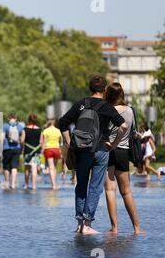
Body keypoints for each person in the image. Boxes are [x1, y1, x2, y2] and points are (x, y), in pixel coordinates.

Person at [59, 75, 128, 235]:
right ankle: (88, 223)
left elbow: (62, 123)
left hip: (82, 150)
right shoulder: (106, 106)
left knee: (81, 184)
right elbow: (123, 126)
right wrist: (115, 144)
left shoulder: (81, 104)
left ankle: (79, 224)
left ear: (90, 89)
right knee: (95, 186)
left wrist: (70, 142)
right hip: (101, 150)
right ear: (104, 90)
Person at [104, 83, 144, 235]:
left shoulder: (106, 110)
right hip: (123, 151)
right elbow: (132, 130)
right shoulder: (130, 111)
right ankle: (137, 227)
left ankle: (114, 228)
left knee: (110, 189)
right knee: (126, 191)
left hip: (108, 149)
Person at [1, 113, 24, 189]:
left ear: (8, 118)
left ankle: (7, 182)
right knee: (14, 166)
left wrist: (1, 148)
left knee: (7, 166)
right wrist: (22, 148)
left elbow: (3, 138)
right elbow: (22, 139)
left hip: (7, 148)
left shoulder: (5, 126)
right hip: (17, 148)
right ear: (16, 118)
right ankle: (13, 184)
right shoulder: (20, 126)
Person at [21, 113, 43, 191]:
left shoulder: (25, 129)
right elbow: (41, 142)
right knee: (34, 168)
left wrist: (23, 146)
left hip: (28, 151)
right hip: (36, 151)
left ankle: (26, 184)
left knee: (27, 168)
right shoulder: (39, 130)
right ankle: (34, 186)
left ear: (29, 120)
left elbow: (22, 140)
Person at [42, 119, 62, 190]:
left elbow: (44, 142)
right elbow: (60, 142)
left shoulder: (45, 131)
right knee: (54, 167)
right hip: (56, 149)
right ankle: (55, 184)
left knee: (51, 167)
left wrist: (41, 151)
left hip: (48, 149)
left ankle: (53, 185)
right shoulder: (58, 131)